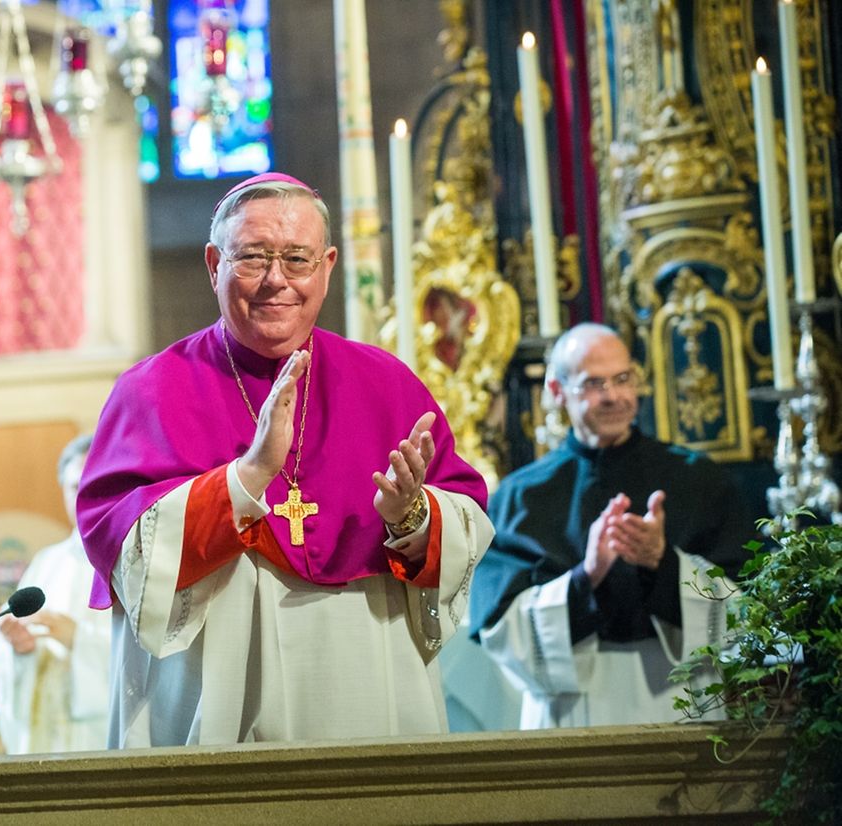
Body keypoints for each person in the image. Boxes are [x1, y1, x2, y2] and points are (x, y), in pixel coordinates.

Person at [77, 172, 493, 748]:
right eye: (252, 257)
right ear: (212, 265)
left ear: (326, 267)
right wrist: (247, 478)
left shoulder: (386, 385)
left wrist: (412, 516)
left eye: (296, 259)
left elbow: (468, 520)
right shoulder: (152, 392)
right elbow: (120, 545)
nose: (276, 281)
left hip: (365, 679)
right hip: (212, 686)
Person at [470, 323, 751, 729]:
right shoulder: (519, 498)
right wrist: (587, 576)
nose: (614, 396)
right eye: (594, 384)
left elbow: (746, 607)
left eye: (623, 379)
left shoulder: (699, 480)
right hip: (571, 709)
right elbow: (500, 629)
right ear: (556, 391)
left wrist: (664, 564)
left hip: (681, 699)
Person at [0, 433, 110, 754]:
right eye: (74, 487)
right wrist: (20, 648)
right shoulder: (47, 563)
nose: (83, 497)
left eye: (95, 484)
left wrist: (77, 638)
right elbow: (10, 657)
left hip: (102, 739)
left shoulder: (131, 559)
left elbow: (155, 658)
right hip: (49, 740)